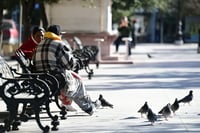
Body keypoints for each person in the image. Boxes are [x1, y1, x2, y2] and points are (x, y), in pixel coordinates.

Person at [32, 25, 94, 115]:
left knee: (70, 80)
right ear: (58, 34)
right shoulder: (59, 45)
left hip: (40, 79)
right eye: (61, 34)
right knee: (78, 81)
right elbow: (70, 65)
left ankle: (70, 104)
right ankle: (88, 107)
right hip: (55, 79)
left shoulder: (39, 45)